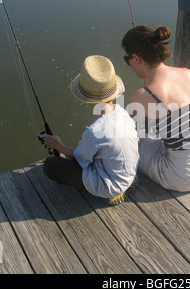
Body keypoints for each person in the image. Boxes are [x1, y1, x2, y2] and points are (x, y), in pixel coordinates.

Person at [122, 25, 190, 192]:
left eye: (126, 59)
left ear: (136, 58)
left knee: (134, 142)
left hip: (186, 175)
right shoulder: (188, 72)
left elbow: (129, 134)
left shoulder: (142, 95)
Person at [43, 55, 139, 205]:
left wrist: (58, 145)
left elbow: (77, 157)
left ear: (88, 98)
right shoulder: (123, 113)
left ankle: (112, 192)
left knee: (50, 165)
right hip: (129, 174)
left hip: (110, 185)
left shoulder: (96, 131)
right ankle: (122, 184)